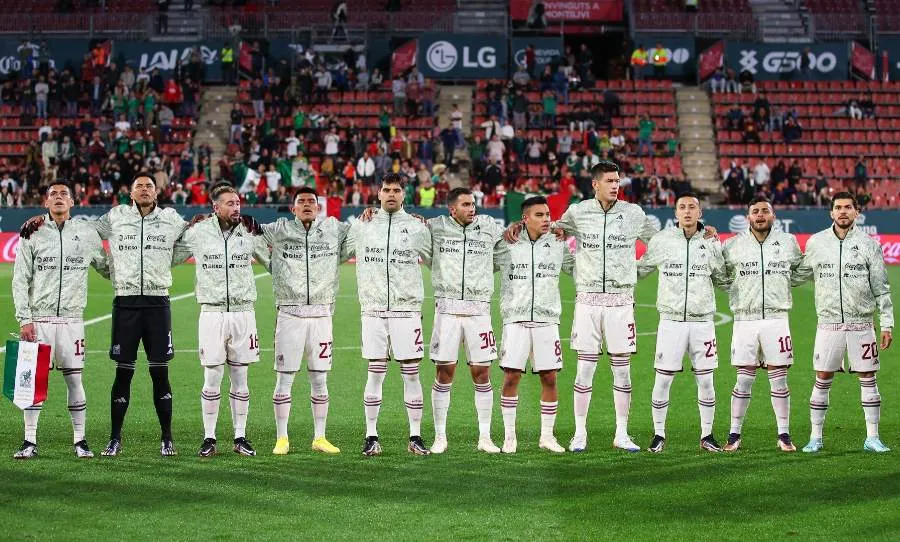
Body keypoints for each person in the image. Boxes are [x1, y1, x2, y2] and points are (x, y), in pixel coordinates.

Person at [505, 160, 717, 453]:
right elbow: (549, 228)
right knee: (584, 371)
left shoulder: (633, 214)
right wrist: (517, 225)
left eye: (618, 180)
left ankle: (621, 432)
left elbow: (662, 242)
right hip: (588, 301)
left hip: (620, 302)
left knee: (622, 372)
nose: (616, 185)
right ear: (595, 184)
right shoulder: (578, 213)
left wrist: (702, 230)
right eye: (609, 181)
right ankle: (580, 433)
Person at [11, 182, 110, 459]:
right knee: (34, 382)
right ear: (45, 202)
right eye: (53, 194)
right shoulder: (32, 233)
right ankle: (29, 441)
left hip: (72, 320)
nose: (58, 197)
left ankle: (80, 440)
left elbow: (105, 267)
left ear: (72, 203)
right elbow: (21, 280)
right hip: (38, 320)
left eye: (63, 194)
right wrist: (24, 319)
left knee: (75, 380)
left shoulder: (86, 234)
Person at [795, 192, 894, 453]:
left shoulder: (869, 244)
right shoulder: (817, 242)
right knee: (822, 377)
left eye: (848, 207)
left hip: (862, 324)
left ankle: (872, 438)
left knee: (868, 378)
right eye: (838, 207)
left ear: (856, 212)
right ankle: (815, 437)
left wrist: (887, 324)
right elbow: (800, 274)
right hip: (828, 324)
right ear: (830, 212)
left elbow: (881, 288)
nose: (842, 212)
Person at [344, 173, 433, 456]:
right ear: (378, 194)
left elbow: (436, 260)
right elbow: (339, 251)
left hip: (407, 310)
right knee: (375, 372)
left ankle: (416, 437)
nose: (391, 194)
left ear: (404, 195)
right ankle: (371, 435)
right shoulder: (362, 225)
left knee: (411, 374)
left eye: (396, 190)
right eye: (386, 190)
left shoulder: (417, 227)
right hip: (373, 309)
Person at [179, 184, 270, 458]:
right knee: (212, 377)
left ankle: (240, 436)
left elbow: (273, 261)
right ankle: (209, 437)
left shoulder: (249, 231)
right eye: (229, 203)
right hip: (212, 313)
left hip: (243, 312)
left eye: (238, 202)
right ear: (215, 207)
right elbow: (170, 253)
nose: (236, 207)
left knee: (241, 378)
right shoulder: (199, 233)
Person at [259, 187, 350, 455]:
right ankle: (282, 438)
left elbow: (359, 234)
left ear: (319, 207)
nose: (308, 205)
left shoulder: (333, 230)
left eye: (312, 201)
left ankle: (319, 437)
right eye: (302, 202)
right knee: (284, 377)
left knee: (320, 378)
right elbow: (251, 234)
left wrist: (369, 213)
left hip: (322, 315)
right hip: (290, 314)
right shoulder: (279, 229)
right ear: (293, 208)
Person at [637, 193, 727, 453]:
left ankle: (707, 435)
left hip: (703, 322)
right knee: (663, 380)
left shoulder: (710, 242)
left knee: (707, 381)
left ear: (700, 213)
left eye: (692, 207)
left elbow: (722, 277)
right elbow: (642, 269)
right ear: (675, 213)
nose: (687, 212)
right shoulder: (662, 241)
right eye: (682, 207)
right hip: (671, 322)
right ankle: (658, 434)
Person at [425, 188, 506, 454]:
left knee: (482, 373)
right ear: (452, 209)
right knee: (444, 372)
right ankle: (440, 437)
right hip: (446, 312)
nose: (472, 208)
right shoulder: (435, 228)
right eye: (466, 205)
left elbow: (509, 243)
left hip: (479, 312)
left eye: (473, 204)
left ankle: (485, 437)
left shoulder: (489, 227)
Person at [720, 197, 804, 452]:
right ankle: (734, 434)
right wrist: (737, 293)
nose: (759, 215)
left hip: (777, 319)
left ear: (773, 215)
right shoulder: (732, 245)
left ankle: (784, 434)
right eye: (755, 211)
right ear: (748, 217)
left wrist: (782, 286)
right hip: (745, 319)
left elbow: (800, 270)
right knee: (744, 379)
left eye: (764, 211)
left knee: (779, 379)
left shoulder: (788, 242)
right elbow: (720, 276)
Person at [495, 196, 574, 454]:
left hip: (546, 319)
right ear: (525, 218)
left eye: (548, 214)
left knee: (549, 377)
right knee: (511, 376)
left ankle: (547, 436)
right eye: (539, 215)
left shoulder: (558, 242)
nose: (546, 219)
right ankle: (509, 436)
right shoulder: (507, 243)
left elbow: (576, 268)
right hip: (515, 319)